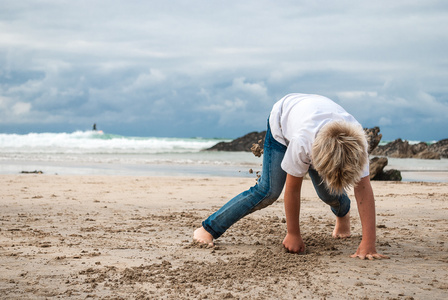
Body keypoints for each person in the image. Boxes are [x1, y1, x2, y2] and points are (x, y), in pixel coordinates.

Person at [194, 93, 389, 260]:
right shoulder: (302, 143)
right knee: (268, 191)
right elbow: (292, 188)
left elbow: (363, 189)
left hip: (317, 123)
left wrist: (368, 243)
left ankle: (342, 214)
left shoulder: (357, 146)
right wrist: (293, 233)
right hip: (282, 120)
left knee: (327, 193)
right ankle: (208, 229)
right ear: (313, 160)